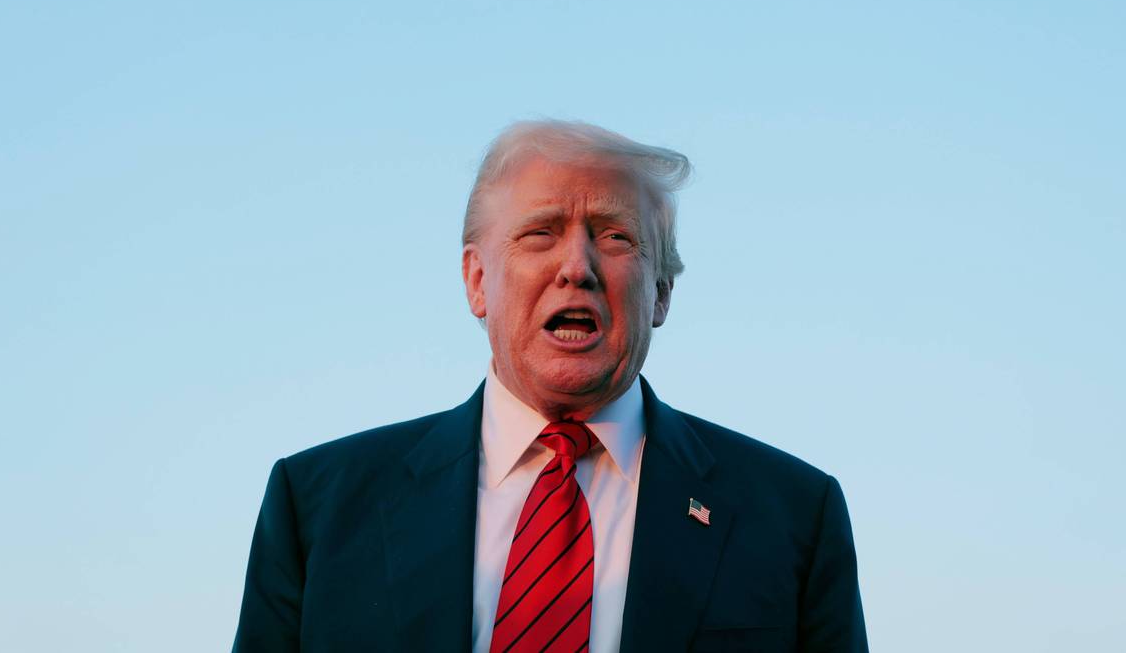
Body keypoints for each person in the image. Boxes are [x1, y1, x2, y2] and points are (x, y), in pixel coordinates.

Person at [232, 120, 868, 652]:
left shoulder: (792, 516)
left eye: (615, 237)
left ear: (662, 294)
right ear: (478, 281)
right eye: (540, 232)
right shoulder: (317, 507)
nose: (577, 268)